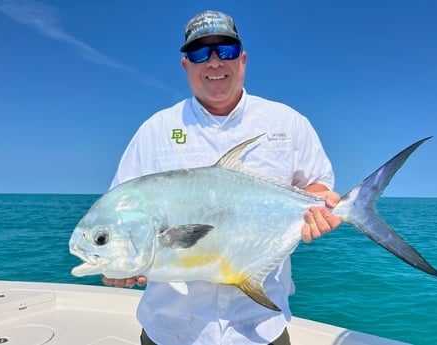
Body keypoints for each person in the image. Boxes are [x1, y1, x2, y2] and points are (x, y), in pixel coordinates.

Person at [103, 10, 342, 345]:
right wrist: (117, 257)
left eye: (225, 50)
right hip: (169, 332)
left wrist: (320, 209)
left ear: (242, 59)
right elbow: (120, 215)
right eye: (200, 53)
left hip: (261, 328)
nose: (214, 63)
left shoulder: (288, 123)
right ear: (186, 65)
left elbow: (318, 186)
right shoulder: (154, 130)